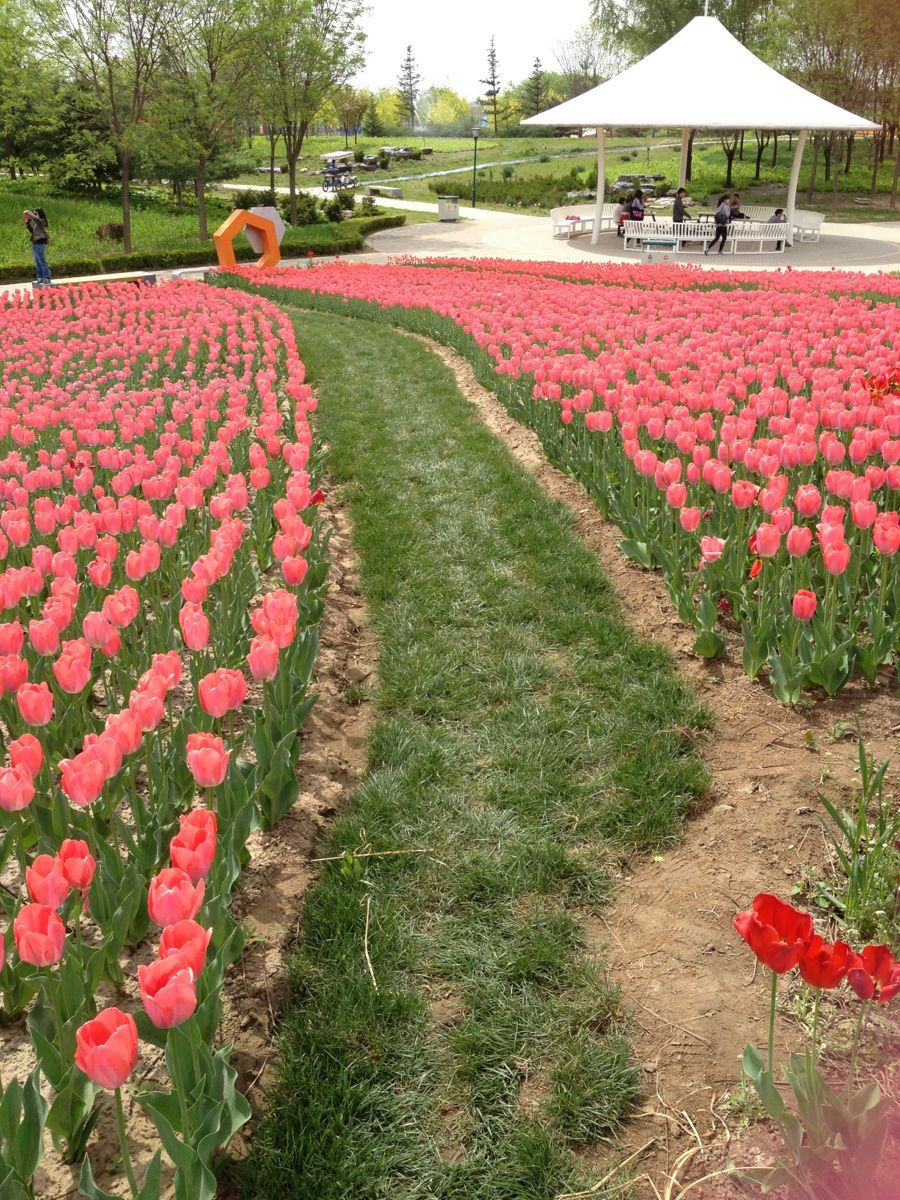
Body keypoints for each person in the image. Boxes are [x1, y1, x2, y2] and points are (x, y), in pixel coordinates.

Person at [24, 208, 51, 287]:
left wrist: (28, 213)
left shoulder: (42, 221)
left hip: (40, 243)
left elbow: (35, 219)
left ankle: (47, 278)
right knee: (37, 262)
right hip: (35, 244)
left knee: (42, 261)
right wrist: (28, 224)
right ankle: (40, 277)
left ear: (40, 214)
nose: (35, 215)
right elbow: (32, 232)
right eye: (34, 213)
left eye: (36, 213)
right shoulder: (37, 224)